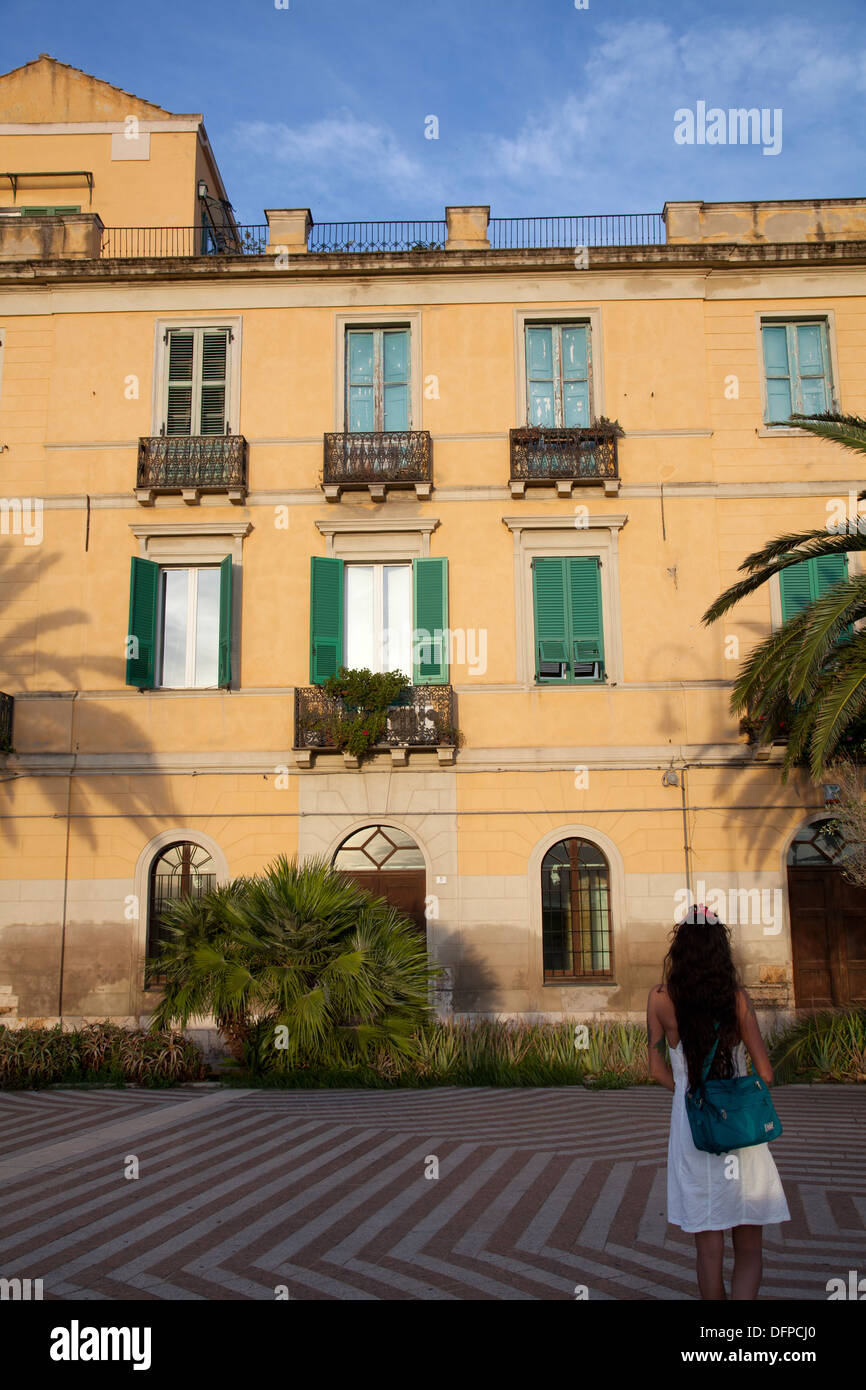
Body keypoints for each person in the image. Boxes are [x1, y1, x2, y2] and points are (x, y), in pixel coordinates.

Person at [646, 904, 790, 1299]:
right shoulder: (737, 999)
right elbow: (767, 1072)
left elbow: (656, 1068)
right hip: (738, 1127)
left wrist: (688, 1091)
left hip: (692, 1125)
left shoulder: (659, 998)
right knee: (748, 1241)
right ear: (719, 951)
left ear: (680, 949)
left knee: (708, 1248)